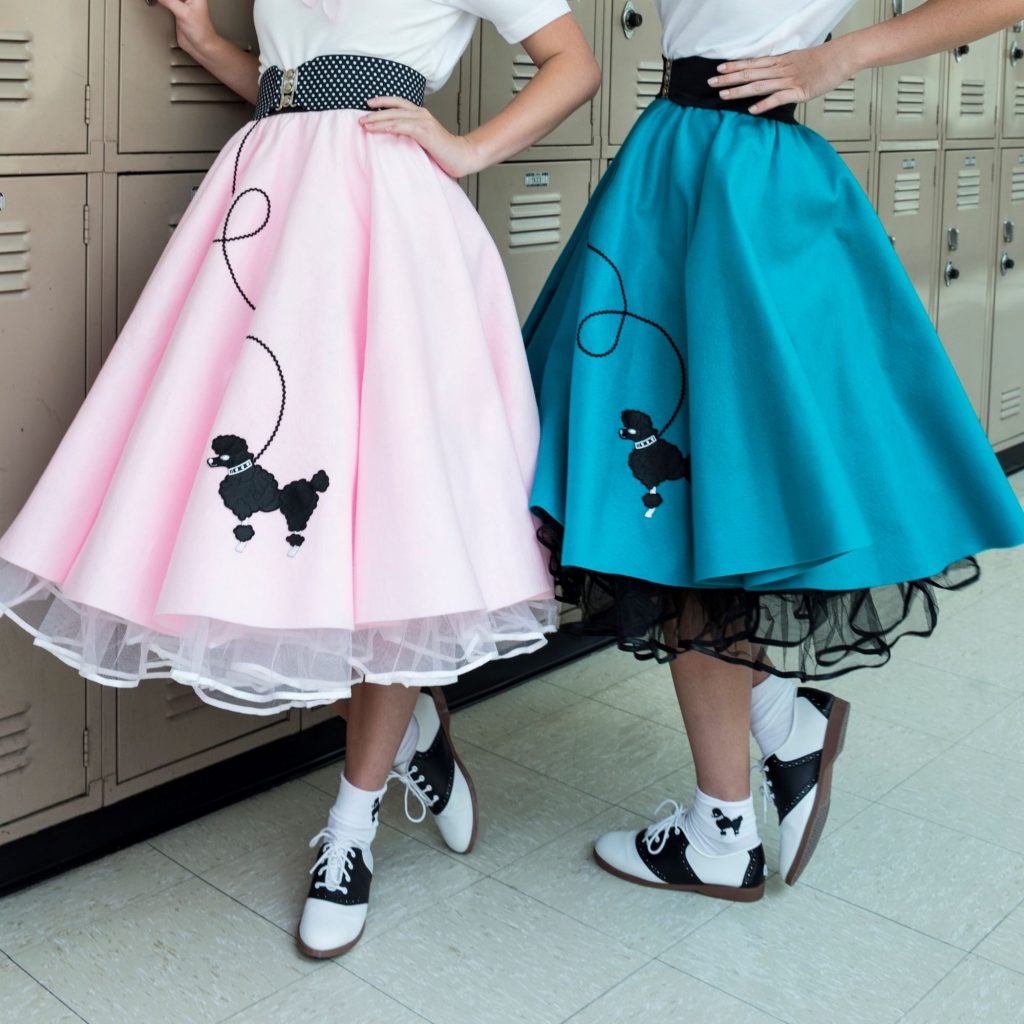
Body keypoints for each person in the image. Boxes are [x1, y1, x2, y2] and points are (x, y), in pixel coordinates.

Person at [0, 0, 599, 956]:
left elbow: (574, 60)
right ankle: (415, 736)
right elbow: (291, 87)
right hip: (266, 215)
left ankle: (353, 832)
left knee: (392, 523)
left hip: (386, 234)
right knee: (306, 538)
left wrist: (472, 149)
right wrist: (203, 43)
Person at [525, 0, 1024, 901]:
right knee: (698, 506)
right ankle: (776, 725)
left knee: (702, 505)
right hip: (679, 163)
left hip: (736, 177)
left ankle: (727, 824)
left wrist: (838, 59)